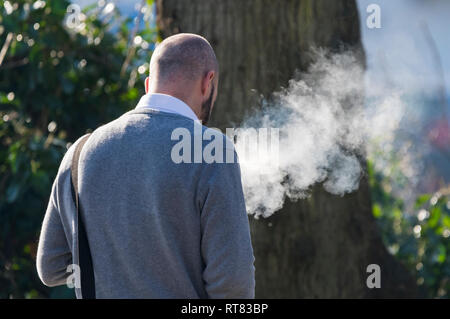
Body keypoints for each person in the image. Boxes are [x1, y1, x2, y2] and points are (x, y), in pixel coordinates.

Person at [36, 33, 255, 298]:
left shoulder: (79, 153)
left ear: (149, 84)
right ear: (208, 83)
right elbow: (233, 285)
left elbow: (50, 267)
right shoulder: (211, 149)